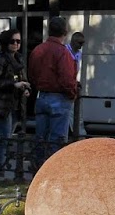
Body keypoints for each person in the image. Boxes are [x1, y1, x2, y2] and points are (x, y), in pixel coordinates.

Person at [28, 16, 79, 160]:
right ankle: (52, 170)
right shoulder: (63, 52)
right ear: (65, 32)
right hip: (59, 98)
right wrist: (72, 93)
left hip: (42, 96)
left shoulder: (38, 50)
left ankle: (38, 167)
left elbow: (32, 74)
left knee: (41, 137)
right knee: (57, 139)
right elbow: (66, 78)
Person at [0, 28, 30, 174]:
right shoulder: (0, 60)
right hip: (1, 104)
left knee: (7, 137)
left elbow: (23, 78)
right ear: (5, 43)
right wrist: (13, 85)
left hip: (14, 104)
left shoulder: (18, 59)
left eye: (18, 41)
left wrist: (25, 88)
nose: (16, 44)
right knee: (3, 137)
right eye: (12, 41)